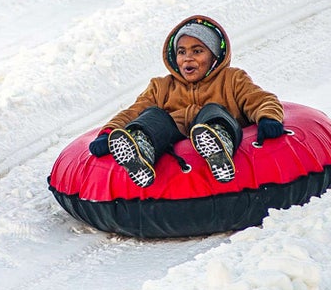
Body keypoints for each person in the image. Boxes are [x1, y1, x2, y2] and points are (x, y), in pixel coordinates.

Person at [87, 15, 285, 188]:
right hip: (175, 134)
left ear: (214, 56)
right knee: (153, 116)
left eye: (197, 51)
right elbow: (133, 112)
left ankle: (218, 144)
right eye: (181, 52)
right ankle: (141, 150)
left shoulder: (232, 79)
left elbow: (261, 99)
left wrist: (268, 118)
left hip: (216, 125)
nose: (187, 58)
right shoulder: (161, 86)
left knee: (213, 110)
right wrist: (108, 132)